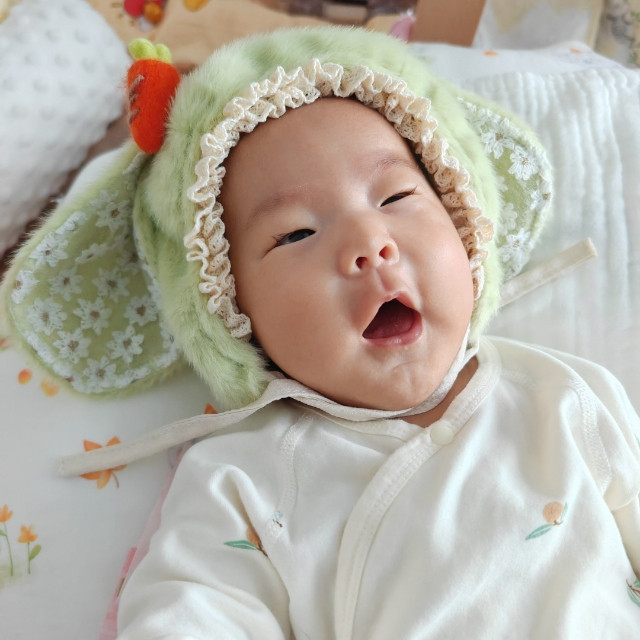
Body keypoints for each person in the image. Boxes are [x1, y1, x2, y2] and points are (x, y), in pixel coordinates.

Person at [2, 26, 639, 639]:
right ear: (230, 312)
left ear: (463, 220)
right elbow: (192, 612)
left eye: (395, 197)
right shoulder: (242, 479)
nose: (369, 242)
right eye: (296, 234)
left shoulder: (563, 398)